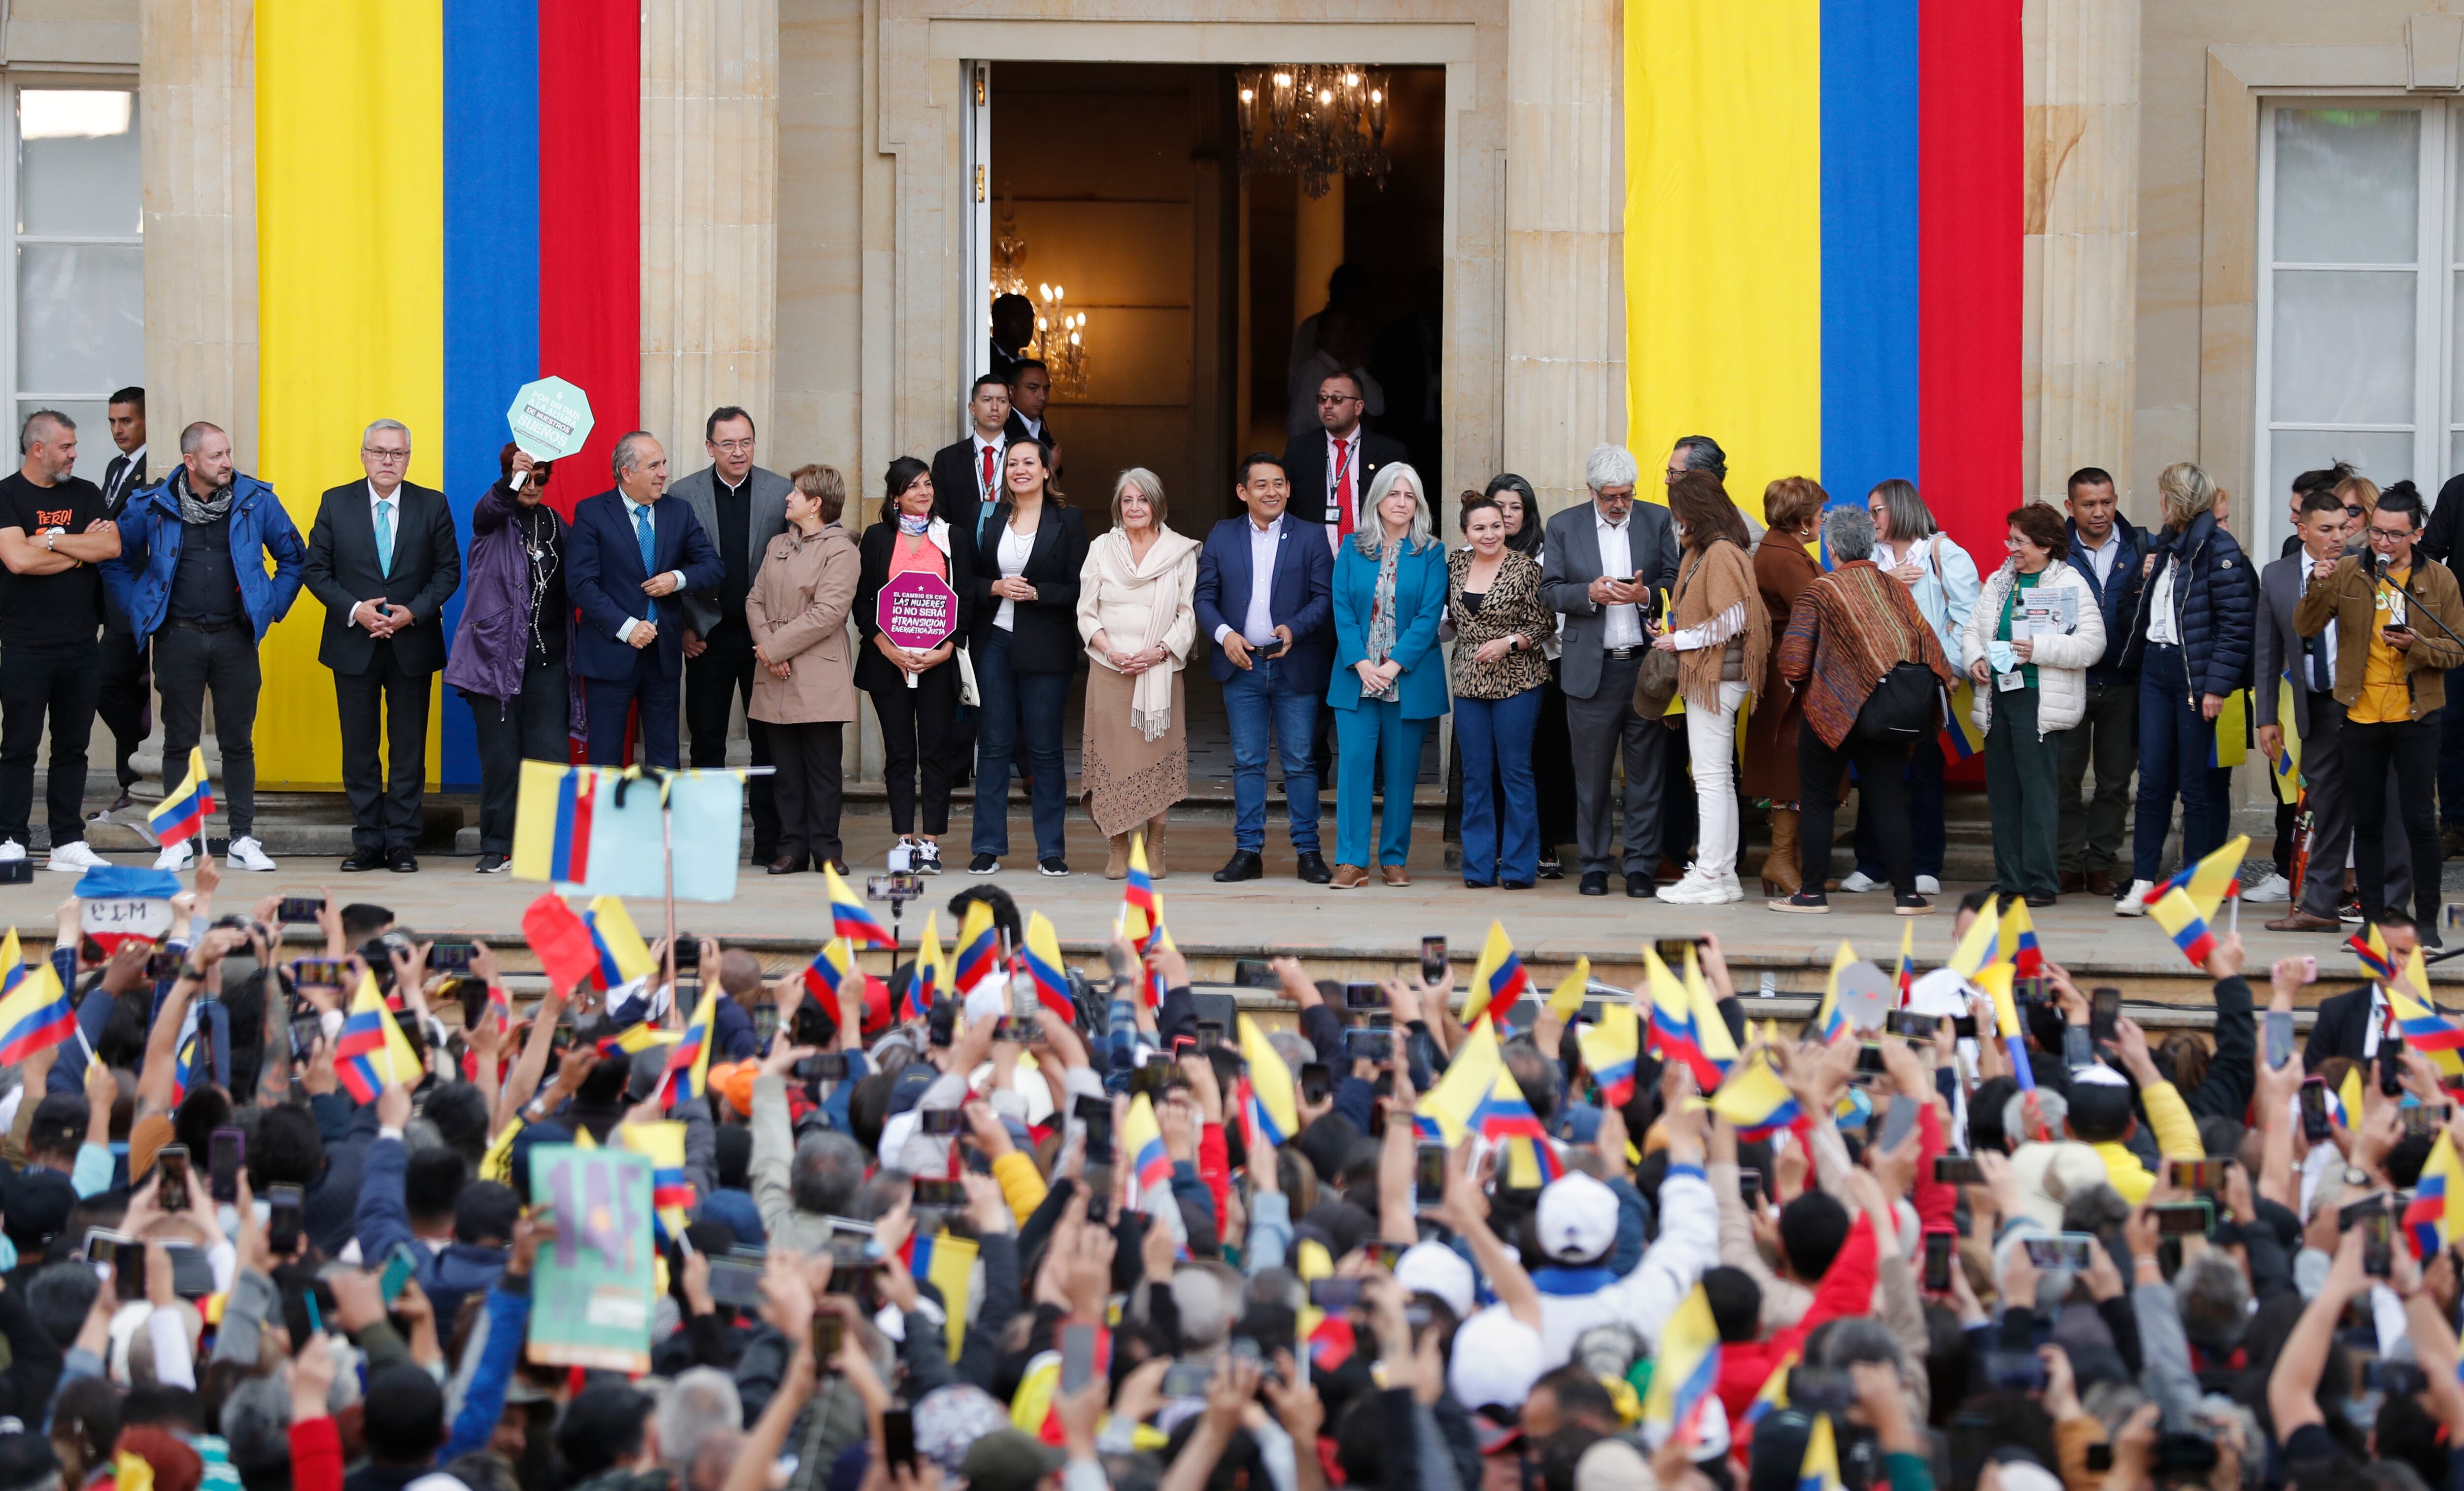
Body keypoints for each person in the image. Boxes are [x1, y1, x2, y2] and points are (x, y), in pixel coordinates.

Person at [103, 421, 304, 873]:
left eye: (228, 453)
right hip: (178, 637)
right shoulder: (152, 504)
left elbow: (294, 557)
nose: (228, 463)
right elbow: (114, 557)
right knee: (179, 742)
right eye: (216, 456)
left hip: (235, 638)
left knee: (238, 742)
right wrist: (137, 606)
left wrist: (270, 606)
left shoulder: (256, 501)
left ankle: (242, 840)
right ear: (190, 462)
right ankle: (176, 841)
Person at [2293, 479, 2464, 941]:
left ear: (2417, 534)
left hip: (2416, 716)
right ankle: (2371, 925)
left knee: (2418, 824)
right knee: (2365, 825)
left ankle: (2425, 925)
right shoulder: (2350, 572)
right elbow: (2306, 626)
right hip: (2360, 714)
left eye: (2394, 534)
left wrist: (2418, 646)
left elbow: (2456, 650)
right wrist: (2316, 585)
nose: (2383, 543)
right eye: (2376, 533)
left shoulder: (2440, 579)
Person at [1769, 503, 1956, 914]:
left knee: (1817, 800)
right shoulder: (1894, 589)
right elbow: (1925, 644)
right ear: (1871, 546)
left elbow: (1794, 660)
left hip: (1829, 712)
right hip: (1886, 715)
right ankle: (1907, 895)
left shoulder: (1820, 590)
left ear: (1832, 549)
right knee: (1888, 798)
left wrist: (1815, 678)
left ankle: (1812, 894)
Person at [302, 419, 464, 874]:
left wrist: (413, 611)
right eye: (379, 452)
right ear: (363, 454)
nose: (388, 461)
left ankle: (402, 843)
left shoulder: (432, 505)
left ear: (409, 458)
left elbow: (449, 572)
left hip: (413, 642)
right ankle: (368, 842)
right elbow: (316, 570)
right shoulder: (336, 502)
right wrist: (356, 609)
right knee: (359, 749)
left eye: (397, 453)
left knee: (408, 749)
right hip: (353, 642)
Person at [2258, 486, 2410, 932]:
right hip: (2317, 707)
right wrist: (2267, 717)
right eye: (2326, 529)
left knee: (2388, 804)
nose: (2338, 537)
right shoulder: (2277, 576)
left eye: (2344, 527)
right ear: (2302, 529)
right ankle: (2321, 906)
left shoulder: (2371, 571)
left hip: (2371, 702)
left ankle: (2392, 908)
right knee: (2325, 807)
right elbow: (2267, 652)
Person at [1540, 443, 1680, 898]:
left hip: (1645, 669)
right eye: (1610, 496)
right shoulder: (1563, 525)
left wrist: (1646, 597)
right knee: (1592, 778)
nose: (1620, 504)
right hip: (1589, 670)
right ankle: (1596, 864)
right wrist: (1589, 594)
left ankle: (1639, 865)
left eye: (1626, 494)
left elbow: (1677, 582)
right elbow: (1550, 592)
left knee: (1646, 776)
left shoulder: (1657, 520)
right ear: (1592, 491)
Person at [2115, 461, 2254, 913]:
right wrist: (2143, 577)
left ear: (2176, 500)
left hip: (2195, 675)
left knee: (2195, 785)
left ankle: (2196, 886)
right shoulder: (2165, 546)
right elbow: (2147, 611)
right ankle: (2142, 880)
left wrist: (2217, 685)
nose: (2160, 503)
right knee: (2153, 780)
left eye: (2164, 496)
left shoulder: (2220, 547)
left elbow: (2236, 626)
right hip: (2156, 667)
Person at [1958, 502, 2106, 907]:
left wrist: (2038, 648)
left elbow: (2092, 644)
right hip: (1998, 699)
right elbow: (1973, 629)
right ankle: (2010, 880)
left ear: (2046, 544)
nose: (2011, 548)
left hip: (2040, 702)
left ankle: (2042, 881)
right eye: (2011, 539)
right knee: (2003, 793)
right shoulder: (2000, 581)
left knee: (2039, 793)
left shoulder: (2070, 583)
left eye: (2019, 541)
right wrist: (1975, 660)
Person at [1195, 454, 1333, 885]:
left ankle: (1308, 852)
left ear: (1289, 489)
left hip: (1294, 663)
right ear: (1243, 492)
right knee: (1248, 762)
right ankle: (1248, 851)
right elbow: (1204, 596)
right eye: (1261, 485)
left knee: (1300, 763)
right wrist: (1224, 636)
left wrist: (1295, 627)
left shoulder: (1311, 536)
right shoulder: (1223, 533)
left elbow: (1324, 599)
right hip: (1242, 664)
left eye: (1279, 484)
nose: (1271, 492)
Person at [1840, 479, 1975, 898]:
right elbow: (1842, 601)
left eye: (1877, 510)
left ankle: (1924, 864)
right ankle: (1872, 863)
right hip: (1875, 680)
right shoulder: (1869, 556)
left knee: (1923, 772)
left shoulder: (1943, 554)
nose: (1872, 519)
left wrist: (1950, 668)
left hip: (1924, 681)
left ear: (1899, 510)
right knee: (1876, 772)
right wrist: (1886, 582)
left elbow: (1969, 616)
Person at [443, 445, 573, 875]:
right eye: (525, 477)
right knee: (500, 760)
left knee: (549, 758)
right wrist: (510, 481)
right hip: (495, 659)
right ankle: (498, 845)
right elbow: (487, 509)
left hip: (548, 661)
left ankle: (544, 846)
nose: (533, 485)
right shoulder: (492, 520)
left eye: (541, 477)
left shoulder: (556, 524)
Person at [672, 407, 789, 867]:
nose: (739, 452)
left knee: (768, 744)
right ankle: (705, 847)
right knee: (706, 743)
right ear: (710, 448)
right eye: (728, 444)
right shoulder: (683, 494)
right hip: (707, 635)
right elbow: (668, 564)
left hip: (764, 641)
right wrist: (685, 625)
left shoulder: (781, 491)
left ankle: (769, 844)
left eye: (746, 442)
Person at [0, 410, 117, 871]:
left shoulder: (86, 493)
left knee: (73, 745)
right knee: (19, 745)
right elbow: (17, 562)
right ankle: (10, 836)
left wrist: (46, 542)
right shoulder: (7, 495)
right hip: (25, 643)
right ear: (38, 449)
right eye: (66, 446)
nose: (75, 453)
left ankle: (68, 841)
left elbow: (109, 547)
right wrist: (75, 551)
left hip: (82, 643)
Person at [566, 432, 724, 770]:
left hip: (663, 656)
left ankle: (661, 823)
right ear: (627, 473)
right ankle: (605, 825)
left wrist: (676, 579)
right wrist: (627, 628)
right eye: (654, 466)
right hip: (610, 655)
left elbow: (713, 567)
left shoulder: (678, 512)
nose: (664, 473)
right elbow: (580, 584)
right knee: (606, 758)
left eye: (664, 463)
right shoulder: (593, 513)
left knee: (665, 758)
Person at [965, 439, 1086, 877]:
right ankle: (987, 846)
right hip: (994, 639)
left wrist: (1036, 593)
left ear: (1046, 469)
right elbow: (971, 579)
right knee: (994, 745)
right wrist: (995, 588)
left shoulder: (1068, 520)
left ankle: (1051, 850)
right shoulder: (991, 516)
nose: (1020, 469)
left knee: (1045, 750)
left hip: (1046, 644)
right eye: (1012, 463)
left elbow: (1078, 588)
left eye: (1028, 462)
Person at [1327, 464, 1448, 888]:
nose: (1401, 503)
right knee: (1355, 769)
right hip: (1357, 678)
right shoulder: (1351, 547)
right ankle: (1351, 861)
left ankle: (1394, 858)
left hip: (1408, 678)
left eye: (1410, 496)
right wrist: (1362, 663)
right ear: (1377, 499)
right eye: (1394, 494)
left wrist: (1393, 665)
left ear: (1419, 505)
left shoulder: (1432, 552)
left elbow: (1430, 615)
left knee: (1401, 772)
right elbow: (1341, 608)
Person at [1654, 470, 1770, 905]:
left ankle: (1708, 875)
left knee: (1710, 779)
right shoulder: (1711, 550)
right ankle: (1723, 876)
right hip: (1715, 677)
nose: (1675, 519)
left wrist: (1680, 639)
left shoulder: (1720, 551)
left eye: (1678, 510)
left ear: (1694, 510)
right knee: (1717, 779)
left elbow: (1735, 616)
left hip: (1716, 680)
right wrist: (1672, 629)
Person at [1076, 469, 1198, 879]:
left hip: (1159, 671)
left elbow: (1187, 614)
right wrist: (1112, 651)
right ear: (1118, 506)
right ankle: (1117, 844)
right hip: (1110, 669)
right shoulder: (1100, 548)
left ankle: (1156, 844)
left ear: (1156, 504)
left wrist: (1158, 652)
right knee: (1112, 758)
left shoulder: (1180, 552)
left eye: (1142, 500)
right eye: (1127, 501)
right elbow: (1086, 611)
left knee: (1156, 759)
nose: (1134, 508)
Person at [854, 458, 969, 876]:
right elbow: (863, 601)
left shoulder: (952, 537)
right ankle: (903, 841)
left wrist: (948, 648)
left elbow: (968, 599)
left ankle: (932, 844)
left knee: (937, 753)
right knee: (900, 753)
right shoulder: (877, 538)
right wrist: (886, 646)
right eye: (913, 487)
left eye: (928, 484)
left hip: (938, 663)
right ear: (896, 496)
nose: (924, 493)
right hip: (890, 665)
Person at [745, 465, 861, 876]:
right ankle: (791, 847)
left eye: (795, 493)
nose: (787, 499)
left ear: (816, 504)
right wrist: (770, 652)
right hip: (775, 670)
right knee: (787, 772)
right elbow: (754, 601)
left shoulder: (842, 549)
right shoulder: (778, 543)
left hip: (816, 673)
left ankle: (827, 850)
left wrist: (775, 649)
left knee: (823, 771)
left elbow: (829, 613)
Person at [1445, 490, 1551, 890]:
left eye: (1496, 526)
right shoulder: (1455, 564)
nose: (1490, 534)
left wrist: (1509, 642)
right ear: (1465, 532)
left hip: (1519, 677)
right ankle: (1478, 867)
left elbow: (1545, 625)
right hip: (1470, 676)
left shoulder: (1525, 569)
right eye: (1480, 528)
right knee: (1475, 774)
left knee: (1515, 772)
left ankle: (1520, 869)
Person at [2057, 467, 2144, 899]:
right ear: (2070, 507)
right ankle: (2069, 864)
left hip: (2125, 682)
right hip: (2071, 680)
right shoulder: (2055, 551)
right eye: (2089, 504)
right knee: (2064, 778)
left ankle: (2101, 865)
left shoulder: (2141, 546)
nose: (2100, 512)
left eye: (2107, 502)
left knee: (2115, 782)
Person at [1745, 477, 1826, 897]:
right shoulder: (1787, 557)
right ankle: (1780, 860)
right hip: (1791, 675)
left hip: (1785, 669)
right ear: (1802, 519)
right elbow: (1817, 613)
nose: (1822, 519)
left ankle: (1788, 860)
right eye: (1818, 512)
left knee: (1791, 768)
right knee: (1790, 770)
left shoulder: (1779, 548)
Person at [1280, 370, 1408, 554]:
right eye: (1322, 399)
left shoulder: (1390, 453)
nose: (1328, 405)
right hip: (1313, 561)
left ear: (1359, 407)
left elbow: (1404, 510)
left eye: (1338, 399)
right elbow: (1286, 508)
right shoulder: (1299, 450)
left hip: (1373, 559)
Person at [97, 386, 149, 813]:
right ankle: (129, 783)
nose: (118, 430)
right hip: (112, 601)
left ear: (148, 419)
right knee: (119, 689)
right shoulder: (117, 466)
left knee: (106, 681)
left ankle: (136, 773)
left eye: (126, 421)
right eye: (113, 421)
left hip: (137, 602)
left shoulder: (156, 467)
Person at [930, 374, 1012, 547]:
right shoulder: (947, 459)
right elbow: (940, 514)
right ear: (973, 408)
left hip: (1014, 551)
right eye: (987, 400)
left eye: (1002, 401)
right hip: (962, 552)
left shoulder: (1024, 455)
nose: (995, 407)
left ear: (1010, 409)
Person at [1003, 359, 1060, 469]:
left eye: (1046, 389)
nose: (1042, 397)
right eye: (1033, 389)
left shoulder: (1041, 431)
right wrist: (1049, 466)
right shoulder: (1003, 429)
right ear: (1011, 392)